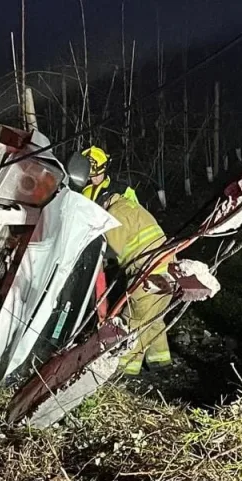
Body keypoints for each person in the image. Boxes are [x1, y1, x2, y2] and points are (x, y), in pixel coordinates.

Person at [81, 145, 173, 375]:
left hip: (148, 275)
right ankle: (161, 362)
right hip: (164, 269)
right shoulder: (126, 204)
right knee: (153, 317)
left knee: (132, 323)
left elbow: (109, 248)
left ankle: (124, 370)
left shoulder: (117, 213)